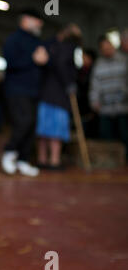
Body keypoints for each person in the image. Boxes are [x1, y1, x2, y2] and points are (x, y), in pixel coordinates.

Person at [1, 9, 49, 177]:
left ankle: (23, 160)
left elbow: (43, 63)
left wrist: (44, 61)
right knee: (23, 121)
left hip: (34, 90)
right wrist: (32, 60)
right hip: (17, 89)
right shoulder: (13, 40)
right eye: (37, 20)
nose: (40, 24)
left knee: (32, 125)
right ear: (26, 20)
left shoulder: (37, 41)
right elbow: (11, 62)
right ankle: (9, 151)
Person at [36, 24, 82, 170]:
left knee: (43, 130)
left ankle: (42, 159)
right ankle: (54, 161)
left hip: (45, 94)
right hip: (58, 96)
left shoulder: (52, 47)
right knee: (56, 130)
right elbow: (62, 66)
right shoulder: (69, 47)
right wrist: (69, 83)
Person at [89, 36, 128, 158]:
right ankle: (111, 162)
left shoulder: (124, 60)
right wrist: (94, 101)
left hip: (123, 106)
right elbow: (94, 85)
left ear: (113, 46)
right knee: (107, 137)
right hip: (105, 108)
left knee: (125, 135)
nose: (107, 50)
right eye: (104, 48)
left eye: (109, 47)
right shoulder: (98, 65)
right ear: (101, 50)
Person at [77, 48, 98, 138]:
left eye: (85, 57)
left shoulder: (95, 70)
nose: (83, 59)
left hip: (92, 104)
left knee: (92, 128)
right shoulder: (80, 71)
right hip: (82, 105)